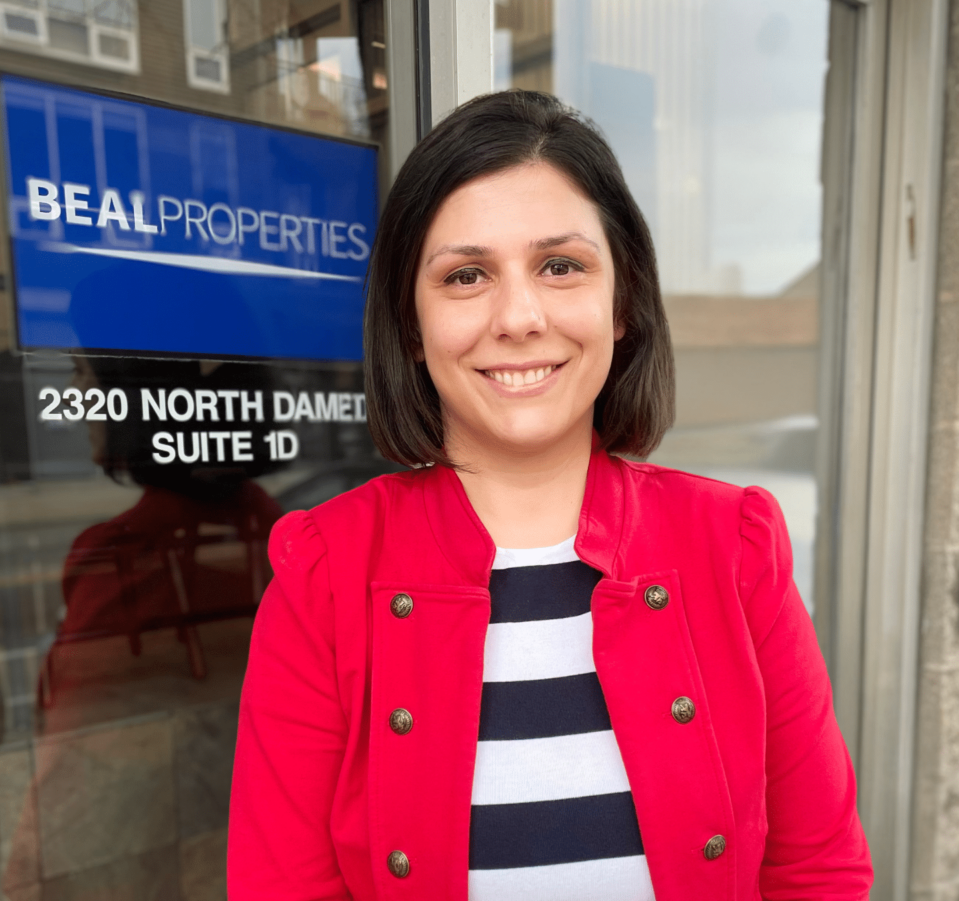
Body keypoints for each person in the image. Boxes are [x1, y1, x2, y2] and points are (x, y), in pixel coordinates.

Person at [228, 91, 873, 900]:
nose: (520, 316)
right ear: (411, 324)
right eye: (466, 275)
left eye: (560, 266)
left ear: (623, 301)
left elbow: (818, 871)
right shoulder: (324, 575)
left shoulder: (736, 545)